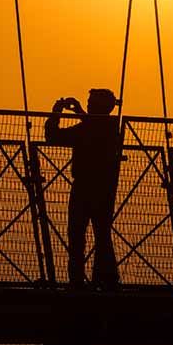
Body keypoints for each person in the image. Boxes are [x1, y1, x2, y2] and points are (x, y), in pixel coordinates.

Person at [45, 89, 121, 288]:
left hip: (84, 188)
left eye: (90, 104)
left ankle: (79, 281)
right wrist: (78, 112)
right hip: (104, 189)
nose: (87, 106)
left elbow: (53, 137)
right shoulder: (112, 128)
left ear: (96, 107)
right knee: (101, 235)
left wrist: (56, 114)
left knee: (78, 236)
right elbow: (96, 126)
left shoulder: (93, 128)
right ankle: (107, 279)